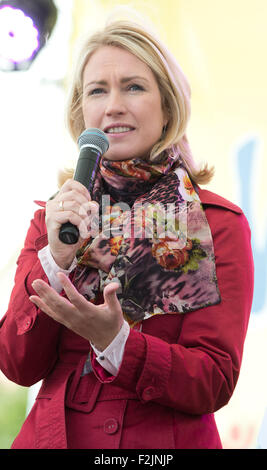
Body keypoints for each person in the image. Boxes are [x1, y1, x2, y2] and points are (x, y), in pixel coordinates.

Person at [0, 17, 254, 449]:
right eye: (97, 90)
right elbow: (17, 364)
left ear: (168, 106)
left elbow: (213, 379)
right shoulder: (55, 219)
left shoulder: (218, 222)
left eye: (133, 87)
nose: (113, 105)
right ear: (82, 113)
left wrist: (115, 341)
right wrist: (55, 257)